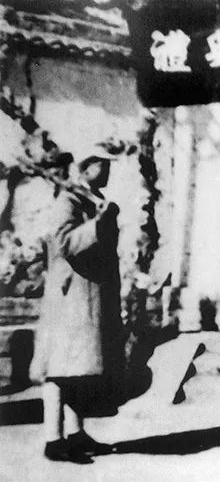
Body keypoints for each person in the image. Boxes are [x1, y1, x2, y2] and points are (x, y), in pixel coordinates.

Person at [30, 151, 125, 463]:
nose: (107, 171)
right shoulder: (68, 200)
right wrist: (99, 223)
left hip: (88, 297)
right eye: (102, 165)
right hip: (68, 298)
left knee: (77, 369)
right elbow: (64, 243)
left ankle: (75, 434)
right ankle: (53, 439)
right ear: (85, 168)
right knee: (59, 371)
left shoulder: (93, 200)